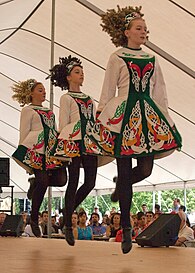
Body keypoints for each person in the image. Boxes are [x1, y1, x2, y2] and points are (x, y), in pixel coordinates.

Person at [87, 6, 182, 254]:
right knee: (124, 166)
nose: (144, 32)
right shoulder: (116, 56)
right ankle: (127, 228)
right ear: (127, 32)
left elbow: (159, 90)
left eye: (145, 29)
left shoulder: (152, 59)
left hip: (147, 115)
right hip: (123, 115)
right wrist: (101, 114)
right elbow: (108, 88)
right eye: (139, 28)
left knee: (146, 169)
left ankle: (121, 184)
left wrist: (164, 116)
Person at [49, 56, 98, 246]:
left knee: (91, 182)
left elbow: (93, 120)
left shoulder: (89, 98)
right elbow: (64, 123)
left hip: (90, 141)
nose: (81, 74)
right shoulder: (66, 97)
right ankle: (68, 224)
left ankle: (67, 212)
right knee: (74, 180)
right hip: (74, 141)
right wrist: (64, 144)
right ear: (68, 77)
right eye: (77, 72)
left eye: (82, 72)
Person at [12, 79, 67, 237]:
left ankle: (35, 183)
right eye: (40, 90)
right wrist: (25, 156)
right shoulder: (28, 110)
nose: (43, 92)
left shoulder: (50, 111)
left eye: (43, 90)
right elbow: (24, 131)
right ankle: (34, 218)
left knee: (62, 179)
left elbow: (54, 130)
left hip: (51, 149)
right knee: (43, 182)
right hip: (36, 149)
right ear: (31, 93)